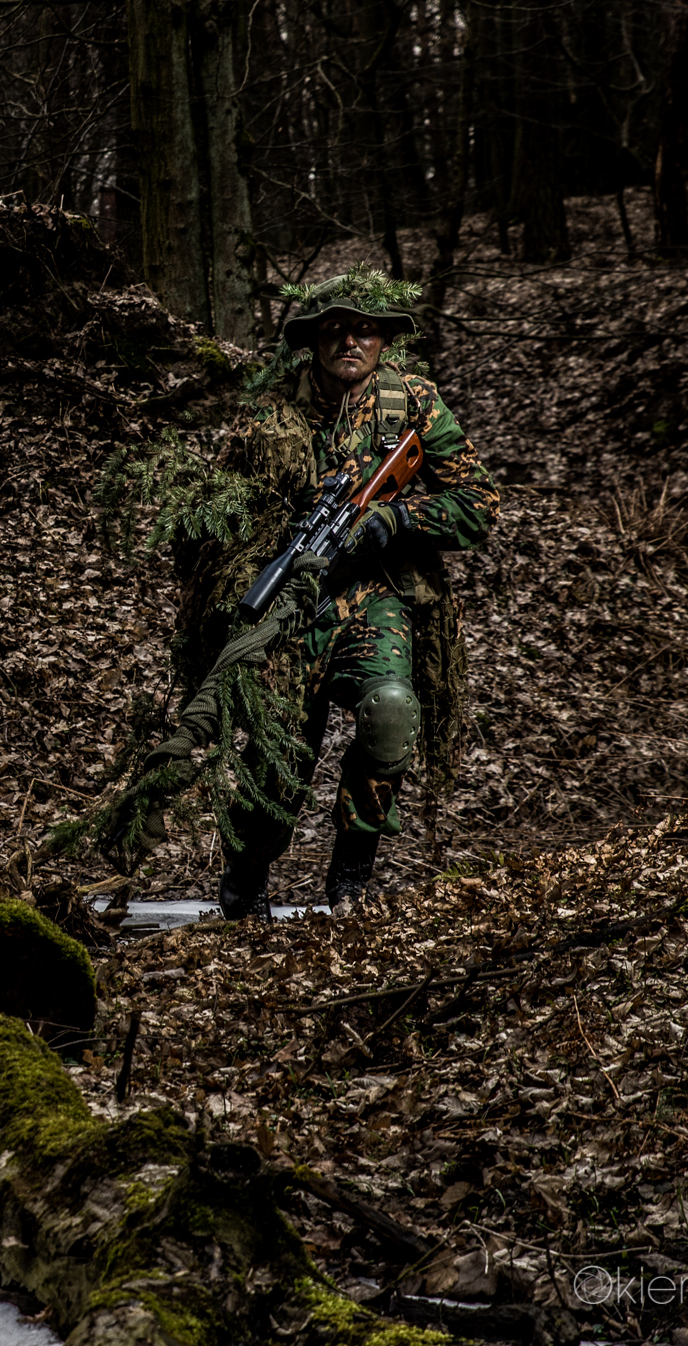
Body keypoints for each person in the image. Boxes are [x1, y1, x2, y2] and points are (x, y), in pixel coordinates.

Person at [212, 277, 500, 917]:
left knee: (392, 713)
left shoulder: (413, 404)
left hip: (379, 598)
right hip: (291, 599)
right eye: (334, 329)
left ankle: (351, 874)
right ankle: (247, 879)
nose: (350, 340)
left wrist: (399, 522)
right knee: (277, 745)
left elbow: (478, 506)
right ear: (313, 339)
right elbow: (222, 515)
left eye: (364, 329)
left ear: (384, 340)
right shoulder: (274, 411)